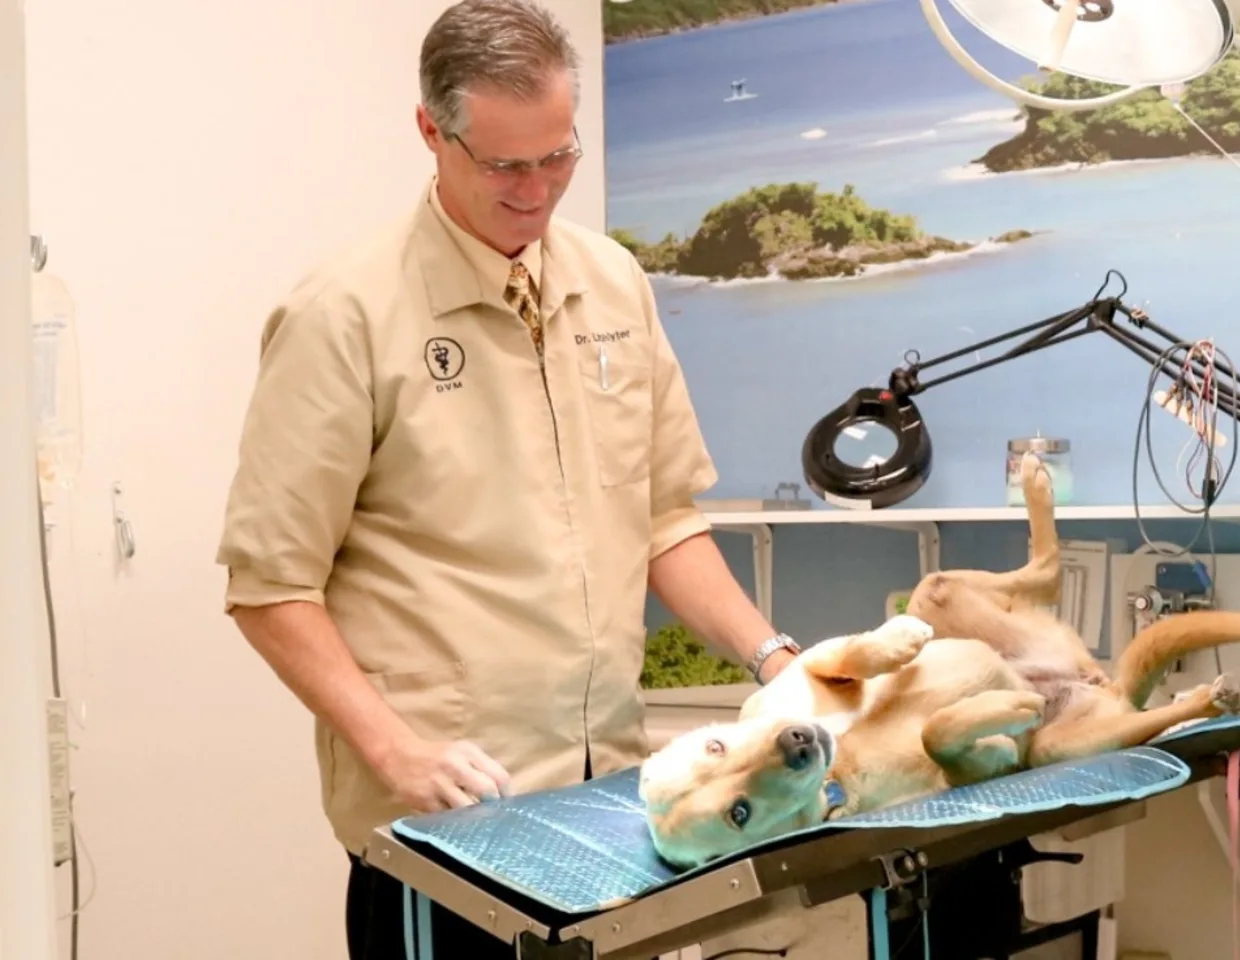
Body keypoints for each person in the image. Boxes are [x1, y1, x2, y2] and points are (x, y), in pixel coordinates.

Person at [214, 2, 800, 956]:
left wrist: (776, 660)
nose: (538, 191)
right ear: (429, 133)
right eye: (505, 166)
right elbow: (270, 587)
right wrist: (391, 748)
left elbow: (663, 519)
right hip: (447, 826)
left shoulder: (611, 283)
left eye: (559, 155)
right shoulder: (344, 316)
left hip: (611, 796)